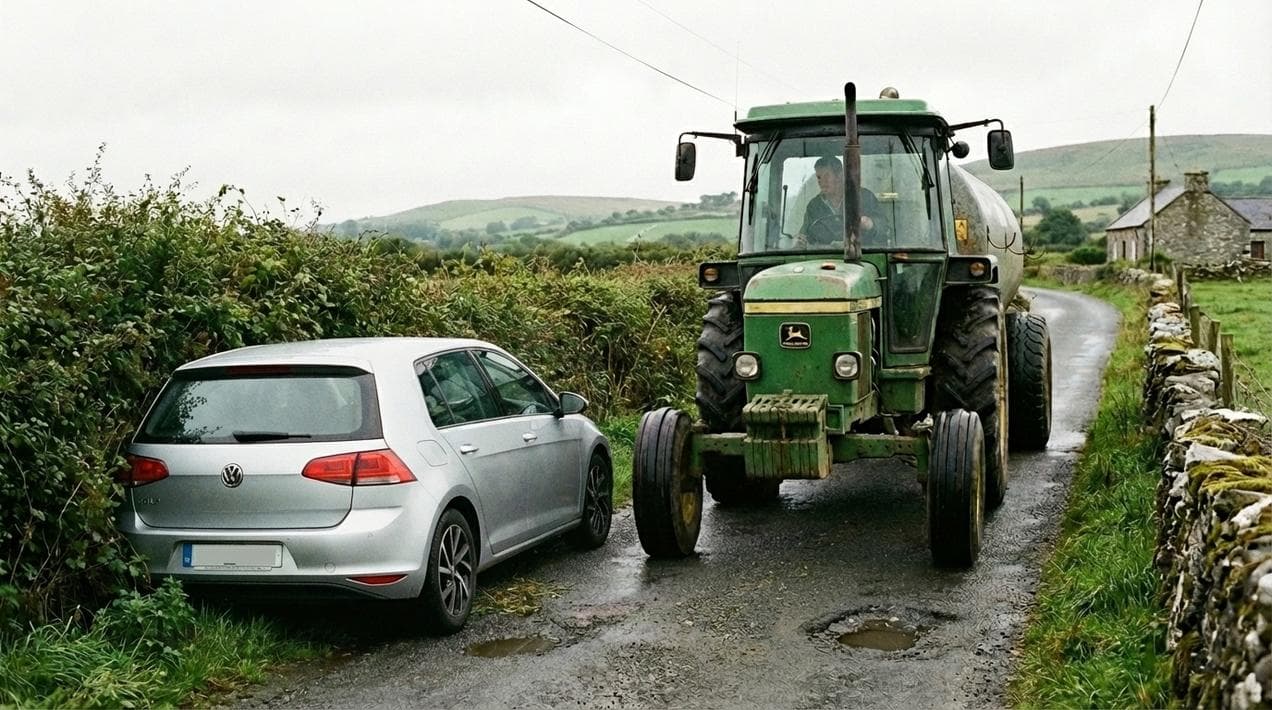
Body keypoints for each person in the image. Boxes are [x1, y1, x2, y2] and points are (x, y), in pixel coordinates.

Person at [795, 156, 881, 246]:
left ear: (839, 175)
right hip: (824, 256)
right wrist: (799, 241)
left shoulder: (865, 197)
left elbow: (884, 227)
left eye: (827, 176)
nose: (821, 181)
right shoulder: (814, 206)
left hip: (860, 255)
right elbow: (805, 235)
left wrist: (870, 223)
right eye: (819, 177)